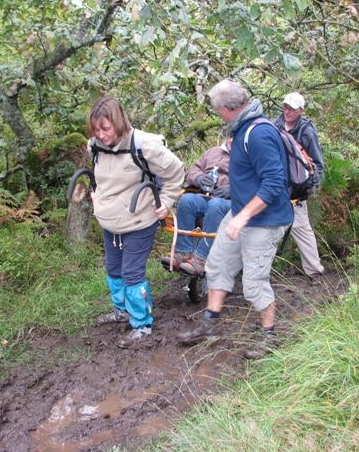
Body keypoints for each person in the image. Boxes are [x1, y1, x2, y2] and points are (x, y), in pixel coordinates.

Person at [177, 79, 293, 360]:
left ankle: (269, 335)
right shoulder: (241, 129)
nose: (218, 116)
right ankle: (209, 324)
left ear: (227, 109)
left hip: (264, 221)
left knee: (254, 282)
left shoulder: (259, 133)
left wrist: (242, 216)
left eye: (217, 111)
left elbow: (275, 182)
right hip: (241, 213)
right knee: (216, 265)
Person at [88, 96, 184, 349]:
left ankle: (142, 324)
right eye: (96, 129)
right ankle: (121, 310)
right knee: (113, 268)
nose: (101, 134)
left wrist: (167, 200)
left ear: (118, 123)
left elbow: (176, 173)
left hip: (140, 220)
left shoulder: (144, 146)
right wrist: (95, 194)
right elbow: (103, 179)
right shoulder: (94, 146)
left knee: (131, 273)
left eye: (105, 129)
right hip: (110, 221)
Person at [273, 92, 325, 280]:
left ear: (300, 110)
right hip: (276, 185)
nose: (287, 111)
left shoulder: (307, 131)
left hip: (297, 190)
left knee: (301, 228)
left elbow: (317, 162)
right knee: (268, 228)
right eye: (286, 107)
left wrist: (313, 186)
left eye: (292, 109)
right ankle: (260, 269)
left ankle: (314, 271)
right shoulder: (273, 126)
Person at [160, 139, 232, 276]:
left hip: (233, 203)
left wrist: (233, 189)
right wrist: (199, 178)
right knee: (187, 200)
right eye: (232, 134)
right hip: (207, 197)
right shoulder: (213, 152)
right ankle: (183, 252)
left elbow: (256, 181)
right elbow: (193, 170)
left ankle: (201, 259)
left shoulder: (248, 155)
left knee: (216, 205)